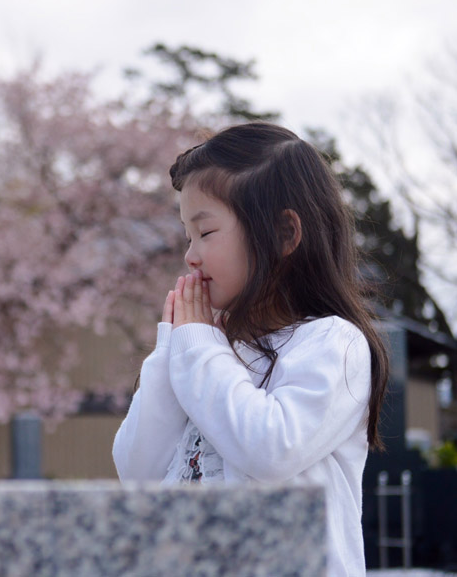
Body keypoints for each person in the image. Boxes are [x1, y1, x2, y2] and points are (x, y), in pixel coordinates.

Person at [112, 122, 389, 577]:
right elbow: (138, 471)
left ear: (284, 234)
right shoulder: (207, 347)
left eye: (206, 233)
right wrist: (171, 346)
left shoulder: (333, 344)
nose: (191, 256)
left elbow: (270, 449)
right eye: (187, 237)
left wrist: (198, 346)